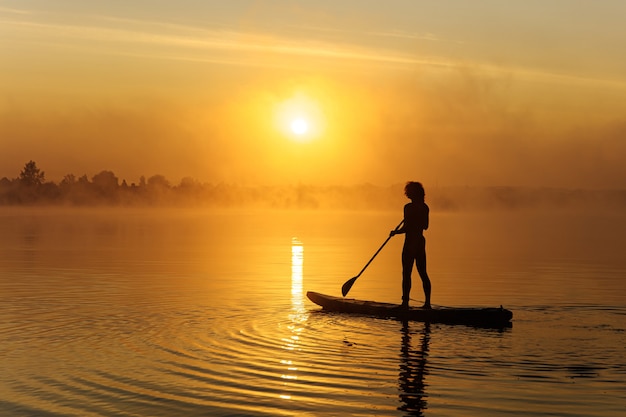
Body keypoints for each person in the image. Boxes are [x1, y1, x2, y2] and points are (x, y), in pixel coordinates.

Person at [390, 181, 432, 309]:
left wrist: (395, 232)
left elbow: (407, 228)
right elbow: (425, 226)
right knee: (423, 272)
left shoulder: (408, 208)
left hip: (410, 243)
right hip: (420, 241)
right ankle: (427, 304)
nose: (407, 194)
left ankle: (405, 304)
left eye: (408, 191)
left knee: (407, 273)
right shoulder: (424, 207)